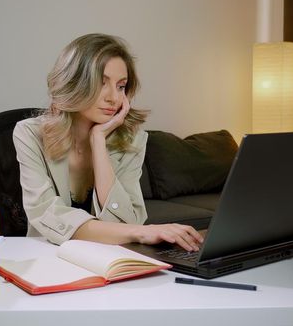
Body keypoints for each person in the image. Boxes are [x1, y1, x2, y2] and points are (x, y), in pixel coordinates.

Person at [13, 33, 203, 251]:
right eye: (102, 83)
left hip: (107, 262)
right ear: (75, 82)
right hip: (48, 258)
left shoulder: (133, 142)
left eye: (121, 86)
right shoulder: (29, 134)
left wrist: (98, 141)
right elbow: (47, 215)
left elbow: (125, 223)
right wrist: (143, 232)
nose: (113, 97)